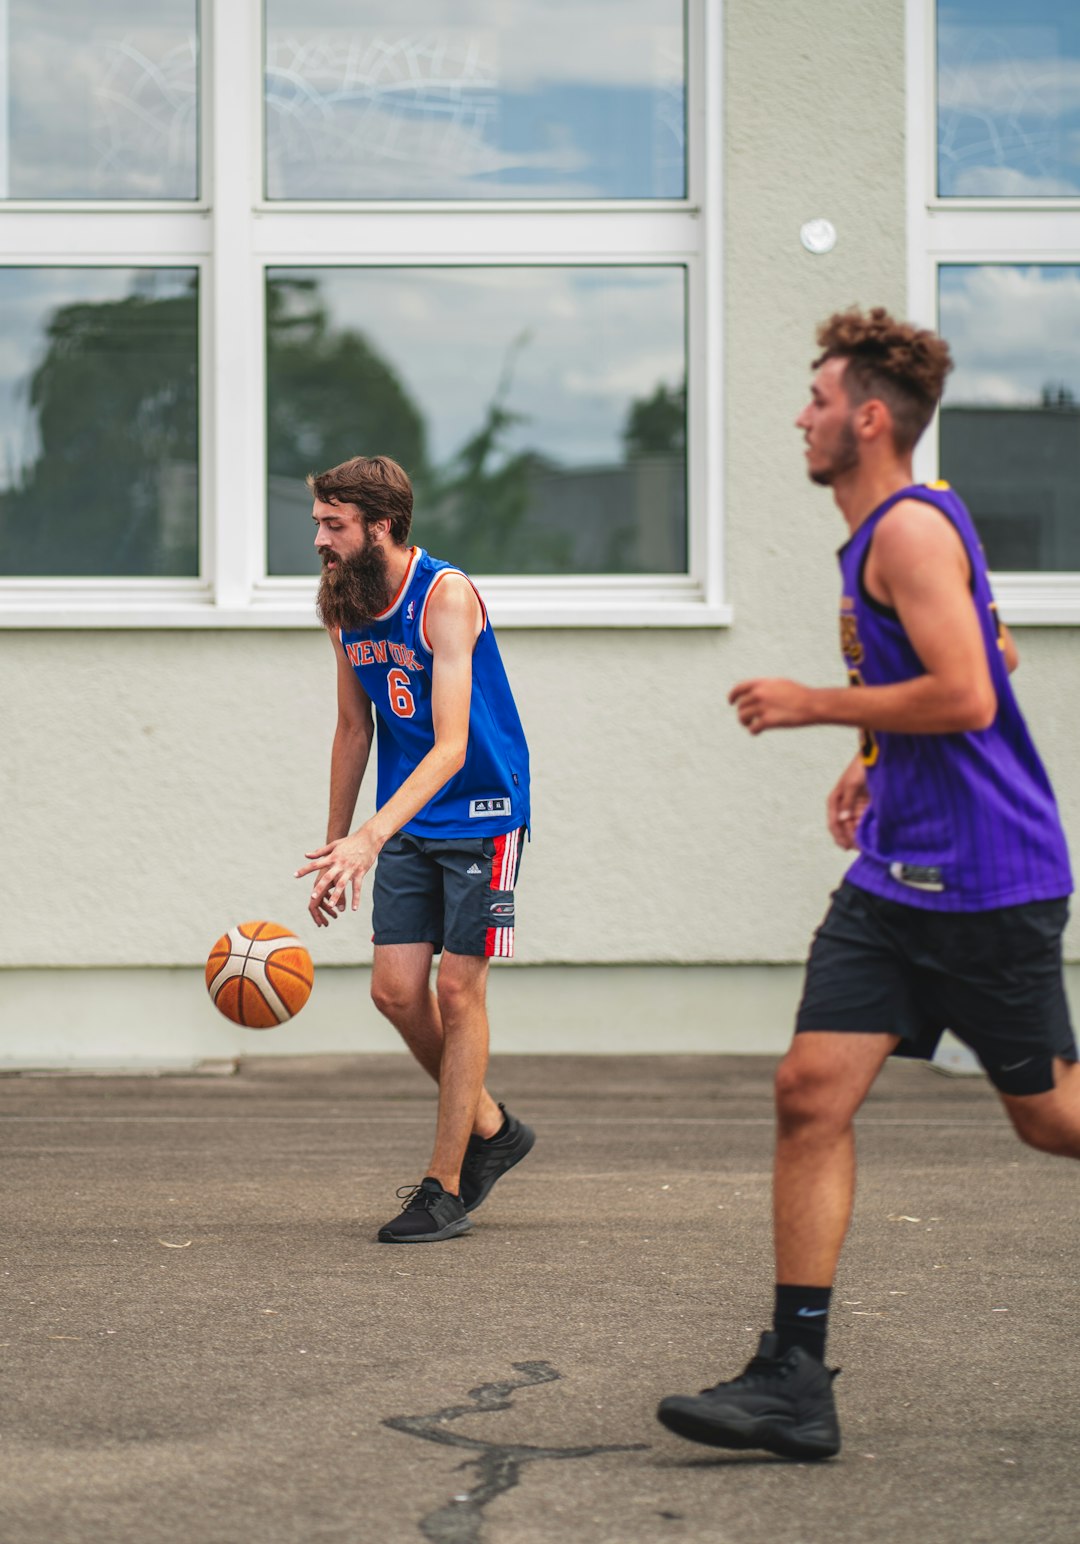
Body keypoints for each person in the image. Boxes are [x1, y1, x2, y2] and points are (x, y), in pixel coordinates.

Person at [657, 306, 1078, 1459]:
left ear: (870, 417)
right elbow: (988, 656)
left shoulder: (907, 532)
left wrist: (818, 705)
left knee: (1052, 1120)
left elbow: (973, 694)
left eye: (819, 398)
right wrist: (872, 753)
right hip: (895, 879)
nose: (803, 414)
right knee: (808, 1090)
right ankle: (795, 1376)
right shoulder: (891, 532)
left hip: (989, 880)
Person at [296, 455, 534, 1244]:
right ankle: (494, 1126)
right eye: (319, 523)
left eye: (335, 525)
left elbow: (451, 743)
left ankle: (446, 1183)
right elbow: (353, 729)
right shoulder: (342, 604)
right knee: (396, 992)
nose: (321, 540)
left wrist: (371, 834)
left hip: (481, 812)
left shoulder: (445, 596)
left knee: (459, 992)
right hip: (406, 821)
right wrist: (339, 844)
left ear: (382, 527)